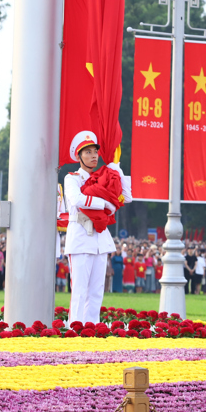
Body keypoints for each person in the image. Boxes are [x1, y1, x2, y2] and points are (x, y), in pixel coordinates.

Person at [63, 130, 131, 325]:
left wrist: (117, 170)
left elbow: (126, 197)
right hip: (81, 236)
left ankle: (91, 328)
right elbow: (76, 199)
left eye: (95, 152)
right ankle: (75, 327)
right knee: (79, 290)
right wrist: (104, 203)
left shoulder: (104, 176)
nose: (93, 156)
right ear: (79, 156)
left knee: (96, 290)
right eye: (88, 152)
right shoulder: (72, 178)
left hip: (100, 238)